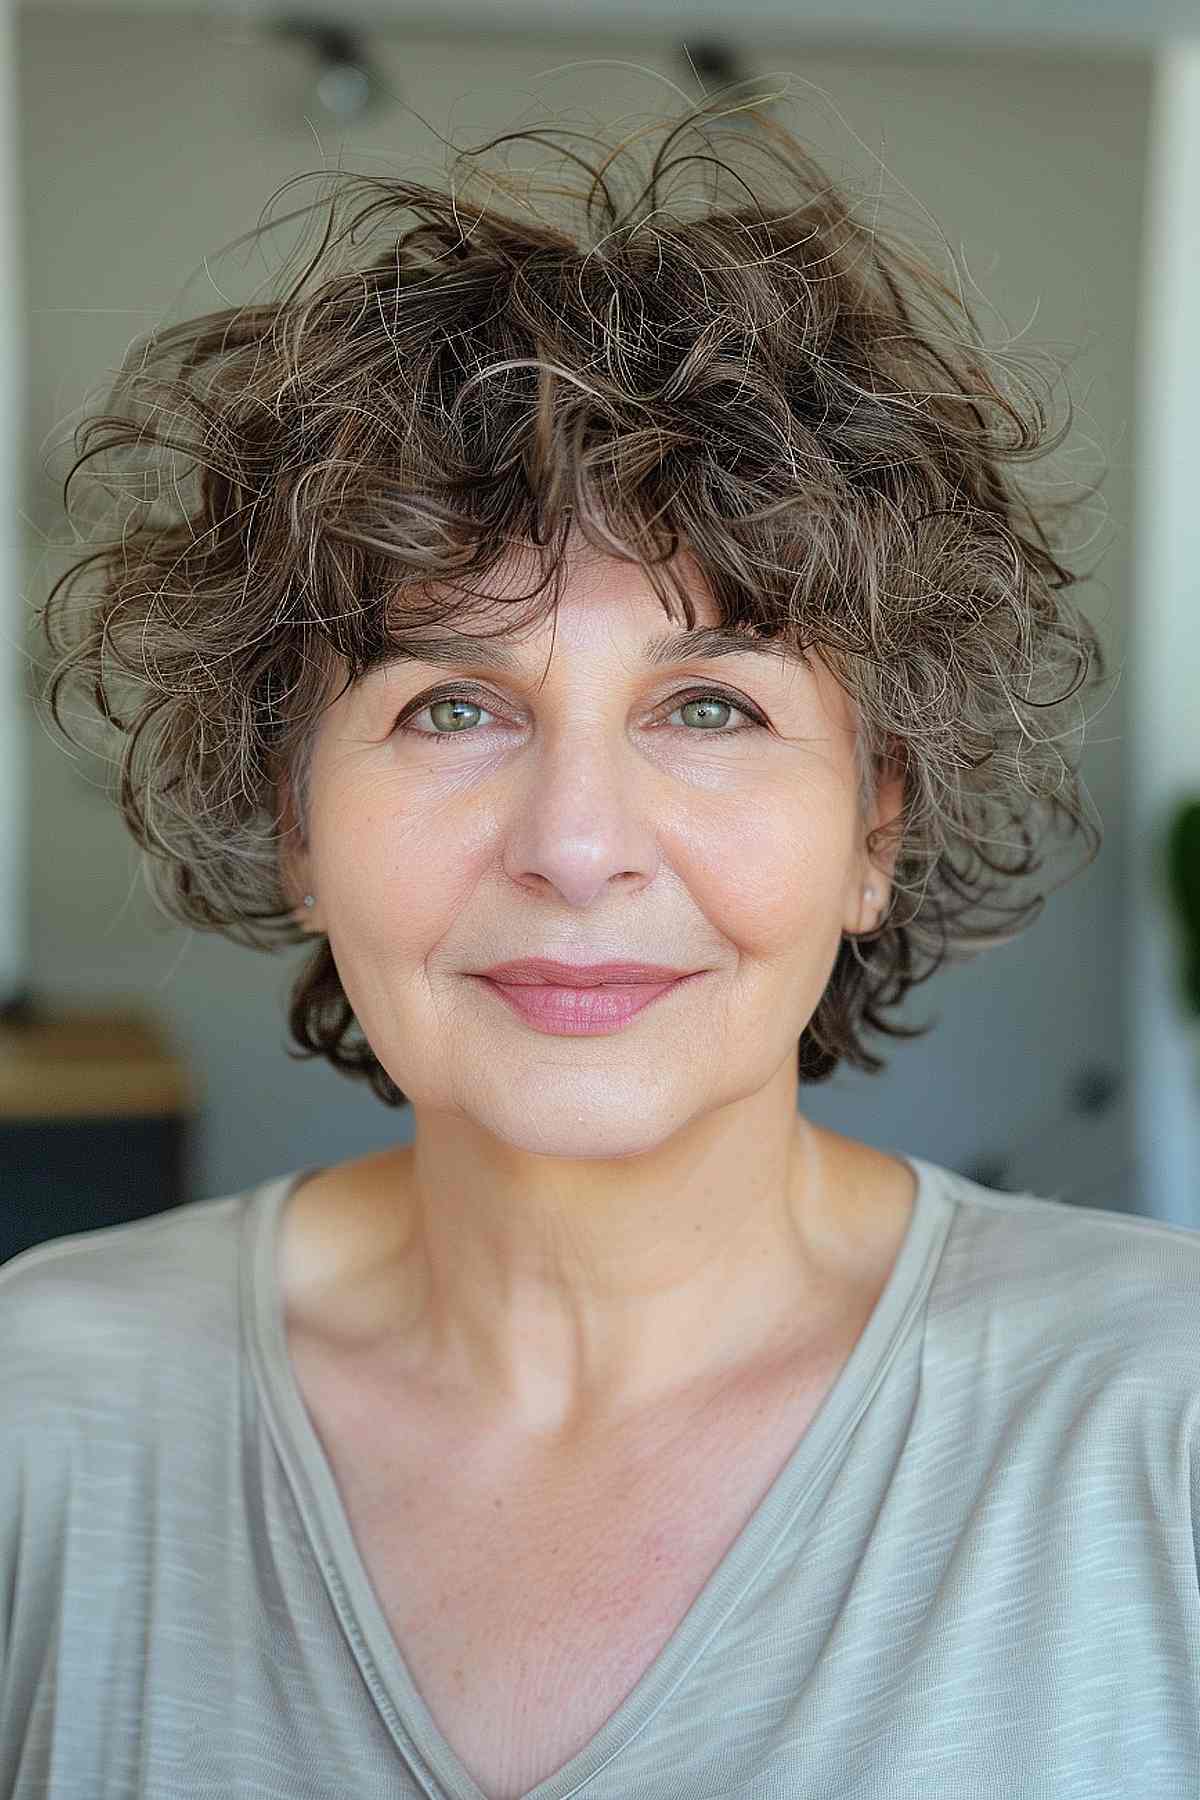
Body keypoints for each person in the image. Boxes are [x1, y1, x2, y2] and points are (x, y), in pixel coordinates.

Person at [4, 92, 1198, 1800]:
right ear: (295, 825)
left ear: (875, 825)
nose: (575, 846)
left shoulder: (1165, 1427)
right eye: (450, 708)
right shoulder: (38, 1418)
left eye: (710, 704)